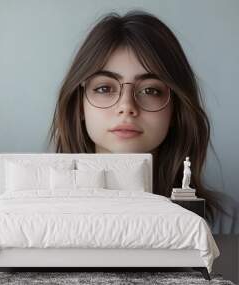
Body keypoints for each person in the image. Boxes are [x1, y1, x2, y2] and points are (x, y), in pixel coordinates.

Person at [47, 10, 221, 224]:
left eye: (150, 90)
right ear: (80, 106)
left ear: (176, 109)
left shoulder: (224, 225)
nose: (126, 107)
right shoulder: (38, 218)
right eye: (104, 88)